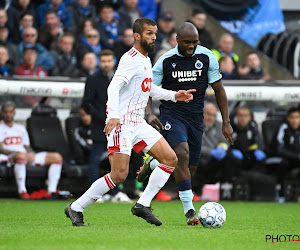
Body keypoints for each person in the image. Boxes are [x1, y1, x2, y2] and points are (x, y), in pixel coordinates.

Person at [65, 17, 196, 227]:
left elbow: (148, 88)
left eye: (155, 33)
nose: (154, 37)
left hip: (138, 123)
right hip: (122, 124)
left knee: (170, 159)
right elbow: (113, 87)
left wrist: (174, 95)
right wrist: (113, 116)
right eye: (149, 34)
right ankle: (76, 207)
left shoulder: (145, 59)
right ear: (137, 36)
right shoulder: (130, 59)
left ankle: (142, 204)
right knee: (119, 175)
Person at [138, 22, 233, 225]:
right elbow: (147, 87)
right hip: (171, 115)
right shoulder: (165, 60)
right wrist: (149, 112)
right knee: (181, 153)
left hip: (196, 118)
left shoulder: (207, 57)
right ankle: (190, 211)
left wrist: (226, 122)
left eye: (194, 42)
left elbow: (219, 90)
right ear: (177, 40)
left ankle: (155, 162)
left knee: (190, 168)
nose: (191, 46)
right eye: (187, 42)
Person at [0, 101, 63, 199]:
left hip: (24, 155)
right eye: (5, 112)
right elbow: (1, 149)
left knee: (56, 157)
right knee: (21, 156)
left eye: (10, 112)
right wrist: (17, 153)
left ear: (14, 113)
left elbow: (27, 146)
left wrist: (31, 154)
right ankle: (22, 191)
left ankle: (52, 191)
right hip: (9, 157)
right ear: (2, 113)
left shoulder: (20, 128)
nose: (8, 114)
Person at [192, 102, 228, 194]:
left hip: (213, 160)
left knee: (231, 159)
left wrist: (222, 148)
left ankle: (226, 190)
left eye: (213, 115)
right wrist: (210, 151)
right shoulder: (194, 125)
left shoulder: (219, 125)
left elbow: (224, 141)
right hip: (198, 157)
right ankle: (194, 191)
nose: (210, 118)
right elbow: (193, 145)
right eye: (208, 114)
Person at [273, 107, 300, 197]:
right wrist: (297, 156)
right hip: (282, 158)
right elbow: (279, 149)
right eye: (292, 117)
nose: (294, 120)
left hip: (296, 159)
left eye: (297, 117)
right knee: (283, 164)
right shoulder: (284, 128)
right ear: (288, 118)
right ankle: (280, 191)